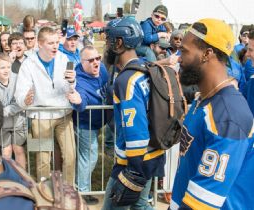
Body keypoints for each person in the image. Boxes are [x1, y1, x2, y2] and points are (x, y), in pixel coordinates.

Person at [170, 18, 254, 210]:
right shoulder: (204, 100)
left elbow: (203, 203)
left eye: (184, 51)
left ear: (207, 54)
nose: (178, 58)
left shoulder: (228, 115)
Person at [102, 17, 165, 210]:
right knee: (141, 206)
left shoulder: (126, 79)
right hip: (152, 154)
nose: (106, 44)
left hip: (133, 162)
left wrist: (133, 172)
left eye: (108, 40)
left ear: (118, 42)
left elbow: (136, 130)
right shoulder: (146, 67)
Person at [15, 27, 76, 185]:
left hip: (63, 114)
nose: (55, 46)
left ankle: (69, 192)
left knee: (70, 155)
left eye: (57, 42)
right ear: (40, 44)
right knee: (42, 158)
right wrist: (25, 100)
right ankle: (44, 193)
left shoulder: (64, 60)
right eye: (50, 43)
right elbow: (20, 93)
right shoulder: (28, 64)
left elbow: (70, 89)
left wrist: (72, 82)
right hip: (40, 117)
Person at [67, 46, 108, 205]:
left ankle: (81, 187)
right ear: (82, 62)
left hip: (97, 122)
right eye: (91, 60)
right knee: (89, 158)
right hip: (85, 125)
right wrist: (77, 101)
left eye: (98, 58)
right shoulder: (80, 81)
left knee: (88, 157)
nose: (96, 62)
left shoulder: (102, 69)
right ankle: (83, 192)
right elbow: (80, 99)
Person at [0, 53, 27, 169]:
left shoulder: (17, 79)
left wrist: (6, 109)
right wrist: (9, 109)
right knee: (6, 151)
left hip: (18, 121)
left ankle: (22, 179)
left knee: (18, 149)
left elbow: (20, 102)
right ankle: (8, 178)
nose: (6, 70)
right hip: (1, 125)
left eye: (8, 67)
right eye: (2, 67)